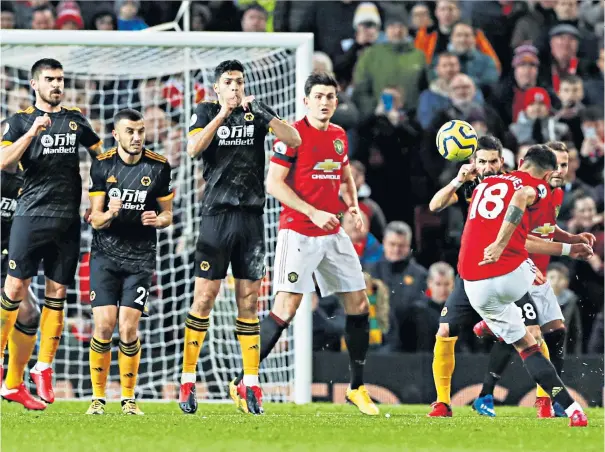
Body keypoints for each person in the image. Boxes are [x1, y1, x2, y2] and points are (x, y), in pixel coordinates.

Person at [232, 72, 379, 416]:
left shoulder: (340, 136)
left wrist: (353, 205)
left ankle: (357, 388)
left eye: (331, 96)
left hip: (332, 232)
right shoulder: (292, 136)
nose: (325, 101)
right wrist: (312, 212)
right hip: (298, 231)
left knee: (359, 304)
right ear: (306, 100)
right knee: (285, 309)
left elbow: (344, 176)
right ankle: (242, 380)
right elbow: (274, 184)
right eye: (319, 96)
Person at [426, 136, 591, 418]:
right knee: (447, 331)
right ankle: (442, 402)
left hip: (480, 271)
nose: (488, 167)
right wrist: (457, 180)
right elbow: (435, 205)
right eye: (482, 162)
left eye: (493, 161)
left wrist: (569, 239)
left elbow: (541, 230)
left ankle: (544, 400)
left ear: (504, 162)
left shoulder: (490, 184)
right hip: (493, 270)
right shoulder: (485, 183)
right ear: (473, 163)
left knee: (538, 333)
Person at [180, 60, 301, 415]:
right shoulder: (204, 111)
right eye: (229, 82)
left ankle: (251, 384)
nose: (235, 87)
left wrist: (265, 115)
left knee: (249, 302)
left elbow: (294, 139)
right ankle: (188, 381)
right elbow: (193, 149)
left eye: (239, 82)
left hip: (250, 219)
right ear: (217, 87)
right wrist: (222, 114)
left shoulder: (257, 112)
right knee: (204, 298)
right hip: (216, 217)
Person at [0, 58, 102, 408]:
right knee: (15, 289)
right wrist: (31, 133)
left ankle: (42, 369)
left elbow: (102, 158)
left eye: (60, 79)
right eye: (50, 79)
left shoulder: (76, 119)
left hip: (68, 220)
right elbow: (3, 163)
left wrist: (98, 198)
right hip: (31, 215)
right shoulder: (19, 121)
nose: (57, 85)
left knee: (57, 293)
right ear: (34, 84)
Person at [473, 141, 596, 418]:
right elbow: (520, 239)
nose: (560, 171)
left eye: (564, 165)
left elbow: (547, 229)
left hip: (537, 272)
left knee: (556, 331)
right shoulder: (528, 193)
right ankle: (486, 393)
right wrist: (565, 251)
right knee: (530, 335)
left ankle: (546, 402)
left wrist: (571, 237)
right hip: (519, 268)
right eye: (557, 166)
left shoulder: (556, 193)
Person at [85, 109, 173, 415]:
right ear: (116, 134)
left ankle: (128, 398)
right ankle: (97, 398)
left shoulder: (159, 166)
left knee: (128, 328)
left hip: (140, 259)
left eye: (140, 131)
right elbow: (94, 219)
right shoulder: (102, 165)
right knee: (105, 325)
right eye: (130, 132)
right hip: (105, 256)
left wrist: (158, 219)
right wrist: (110, 213)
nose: (136, 138)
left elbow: (168, 214)